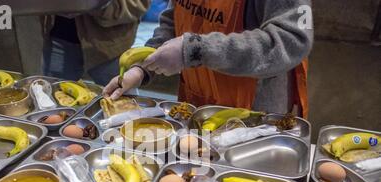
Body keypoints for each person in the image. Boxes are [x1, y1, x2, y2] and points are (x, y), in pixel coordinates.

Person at [104, 0, 314, 118]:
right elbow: (174, 19)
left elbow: (292, 40)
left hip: (253, 116)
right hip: (195, 104)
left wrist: (197, 50)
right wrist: (142, 68)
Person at [42, 0, 151, 85]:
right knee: (56, 103)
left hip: (110, 45)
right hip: (57, 38)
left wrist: (96, 5)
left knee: (125, 105)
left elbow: (139, 4)